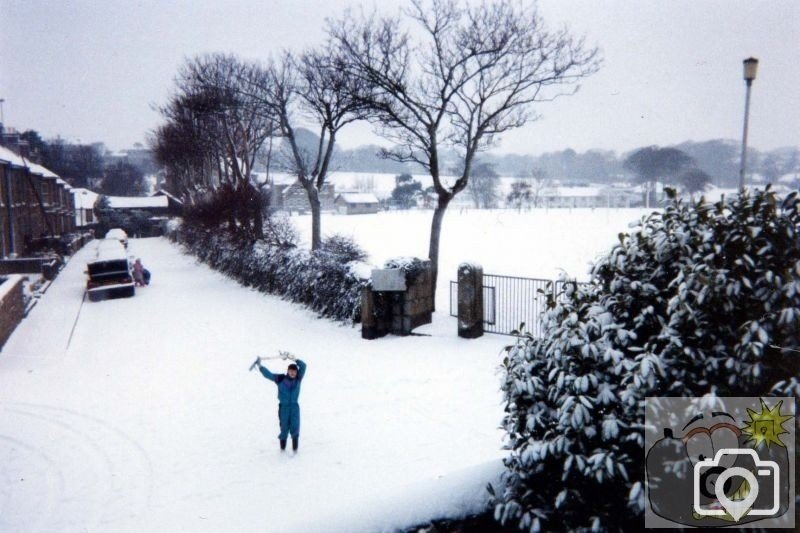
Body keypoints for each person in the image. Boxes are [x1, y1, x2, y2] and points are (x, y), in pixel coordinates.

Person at [256, 354, 307, 453]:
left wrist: (293, 358)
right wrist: (260, 366)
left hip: (295, 407)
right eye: (291, 371)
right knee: (284, 428)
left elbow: (304, 366)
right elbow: (269, 374)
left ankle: (295, 450)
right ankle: (282, 451)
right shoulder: (280, 379)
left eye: (294, 371)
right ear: (287, 371)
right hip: (283, 408)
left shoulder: (298, 379)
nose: (293, 373)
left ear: (297, 372)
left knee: (295, 427)